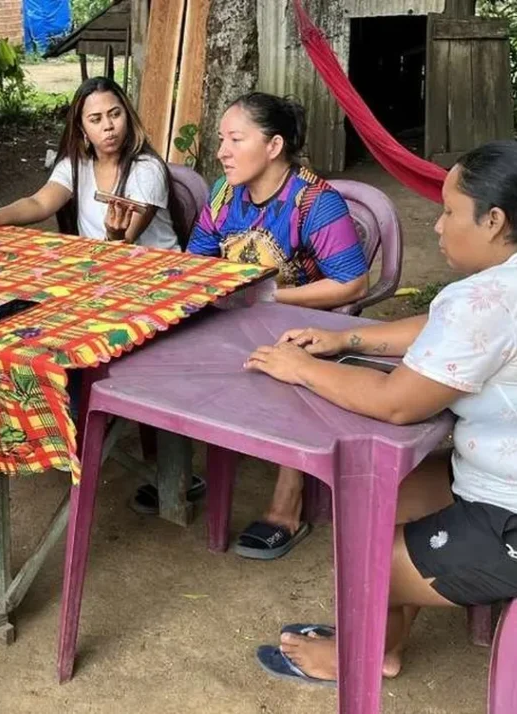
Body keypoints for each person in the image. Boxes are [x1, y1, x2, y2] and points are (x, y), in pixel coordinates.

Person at [245, 140, 517, 684]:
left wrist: (298, 367)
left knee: (367, 557)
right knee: (386, 499)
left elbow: (396, 403)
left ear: (493, 220)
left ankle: (360, 655)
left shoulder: (494, 298)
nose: (437, 227)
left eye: (448, 212)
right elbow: (443, 329)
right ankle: (383, 646)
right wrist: (346, 337)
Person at [159, 92, 369, 559]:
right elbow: (198, 263)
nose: (222, 152)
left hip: (302, 324)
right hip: (238, 316)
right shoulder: (224, 195)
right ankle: (176, 475)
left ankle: (288, 502)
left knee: (290, 366)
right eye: (221, 140)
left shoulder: (315, 201)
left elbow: (352, 283)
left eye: (236, 139)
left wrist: (267, 295)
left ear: (273, 146)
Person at [0, 76, 186, 250]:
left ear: (127, 116)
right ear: (82, 128)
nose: (108, 126)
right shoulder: (76, 165)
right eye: (95, 119)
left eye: (115, 114)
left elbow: (124, 242)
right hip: (103, 270)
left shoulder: (147, 169)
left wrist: (114, 235)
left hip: (154, 273)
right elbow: (38, 204)